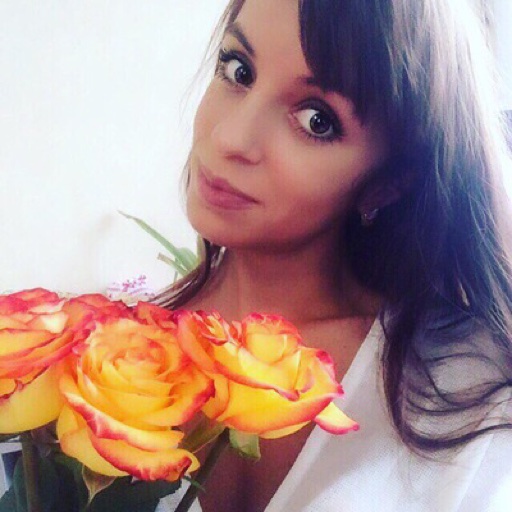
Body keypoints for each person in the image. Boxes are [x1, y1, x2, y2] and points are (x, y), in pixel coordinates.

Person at [157, 0, 512, 510]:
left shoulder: (469, 397)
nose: (230, 137)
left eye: (316, 120)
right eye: (238, 70)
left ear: (389, 183)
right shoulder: (102, 356)